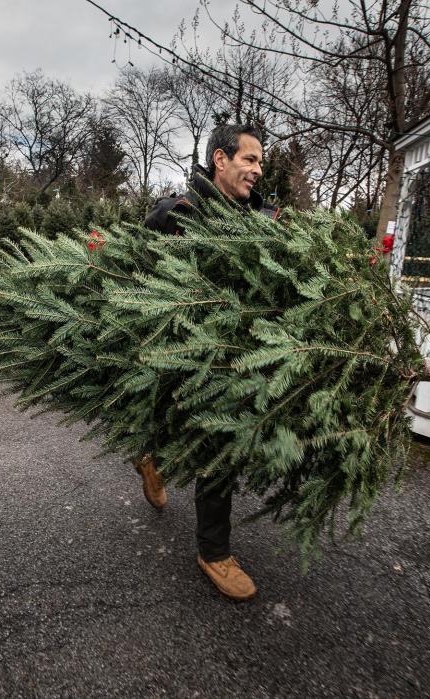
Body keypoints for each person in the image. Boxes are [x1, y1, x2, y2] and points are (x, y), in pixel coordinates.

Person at [141, 124, 279, 601]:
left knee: (220, 438)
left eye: (261, 162)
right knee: (187, 425)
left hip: (237, 360)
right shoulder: (175, 215)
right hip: (180, 353)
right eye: (251, 159)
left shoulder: (266, 219)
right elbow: (136, 270)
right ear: (221, 160)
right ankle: (214, 552)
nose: (259, 170)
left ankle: (207, 542)